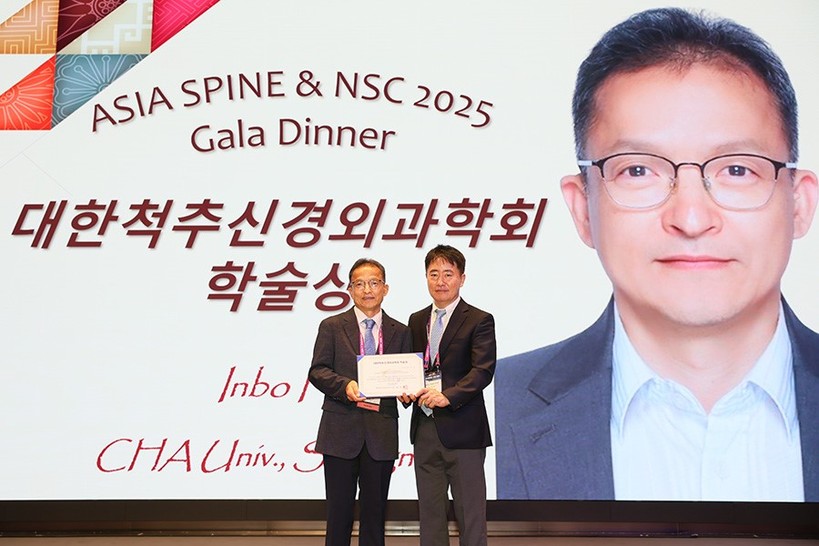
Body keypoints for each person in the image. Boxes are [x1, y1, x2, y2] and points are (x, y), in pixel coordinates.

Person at [495, 7, 819, 502]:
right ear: (583, 209)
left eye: (737, 170)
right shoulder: (486, 406)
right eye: (639, 171)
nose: (691, 218)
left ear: (799, 204)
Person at [308, 258, 412, 546]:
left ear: (385, 288)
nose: (367, 290)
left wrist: (408, 393)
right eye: (360, 284)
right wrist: (345, 386)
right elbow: (317, 371)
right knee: (338, 515)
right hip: (340, 433)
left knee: (375, 516)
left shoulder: (401, 331)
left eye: (374, 283)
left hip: (381, 433)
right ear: (350, 290)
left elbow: (407, 378)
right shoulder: (331, 326)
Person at [400, 244, 496, 546]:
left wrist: (448, 396)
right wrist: (404, 391)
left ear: (462, 279)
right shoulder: (416, 320)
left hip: (464, 429)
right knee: (430, 515)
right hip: (425, 428)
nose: (440, 281)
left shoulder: (479, 319)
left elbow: (483, 371)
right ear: (426, 278)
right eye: (434, 274)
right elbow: (413, 366)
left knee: (470, 516)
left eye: (448, 274)